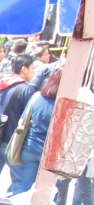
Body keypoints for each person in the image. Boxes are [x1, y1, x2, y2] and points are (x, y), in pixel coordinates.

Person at [0, 53, 36, 192]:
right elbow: (28, 118)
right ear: (24, 69)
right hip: (13, 141)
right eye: (32, 68)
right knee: (19, 180)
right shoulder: (26, 89)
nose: (34, 73)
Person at [11, 67, 62, 195]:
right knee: (48, 193)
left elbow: (23, 119)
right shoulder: (62, 104)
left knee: (26, 188)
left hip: (30, 148)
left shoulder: (37, 97)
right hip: (50, 154)